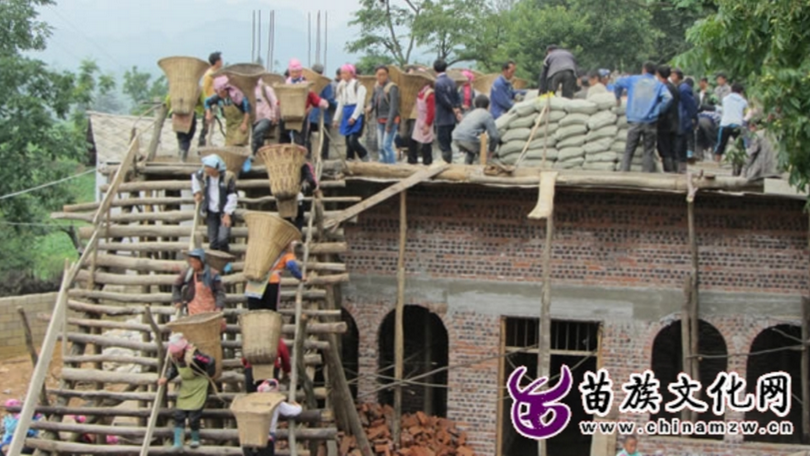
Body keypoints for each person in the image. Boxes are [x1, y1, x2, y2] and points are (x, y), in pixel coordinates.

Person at [613, 62, 673, 173]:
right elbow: (668, 98)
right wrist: (658, 111)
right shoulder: (658, 84)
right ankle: (646, 176)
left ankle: (623, 173)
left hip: (634, 119)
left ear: (643, 70)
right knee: (648, 151)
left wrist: (618, 97)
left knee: (629, 149)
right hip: (651, 121)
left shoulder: (633, 80)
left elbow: (617, 83)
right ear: (655, 72)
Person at [158, 334, 215, 450]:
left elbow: (210, 361)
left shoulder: (195, 356)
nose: (176, 355)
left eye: (178, 353)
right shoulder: (174, 357)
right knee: (179, 415)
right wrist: (167, 378)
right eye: (174, 353)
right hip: (186, 386)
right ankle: (178, 442)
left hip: (199, 385)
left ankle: (195, 439)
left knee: (194, 416)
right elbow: (174, 370)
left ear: (183, 350)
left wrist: (209, 375)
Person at [241, 379, 302, 456]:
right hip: (266, 437)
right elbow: (294, 411)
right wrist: (297, 406)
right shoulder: (275, 402)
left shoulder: (253, 401)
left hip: (250, 437)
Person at [192, 155, 237, 252]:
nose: (206, 170)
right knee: (213, 242)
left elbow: (232, 196)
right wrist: (197, 192)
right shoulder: (204, 175)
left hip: (223, 211)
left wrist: (227, 214)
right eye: (206, 167)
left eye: (209, 168)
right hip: (211, 211)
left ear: (216, 169)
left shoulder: (227, 177)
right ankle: (215, 263)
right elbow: (195, 177)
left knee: (223, 239)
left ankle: (225, 260)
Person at [244, 241, 304, 311]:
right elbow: (291, 265)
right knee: (270, 312)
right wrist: (300, 276)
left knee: (254, 311)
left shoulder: (259, 248)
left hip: (255, 281)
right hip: (272, 282)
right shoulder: (286, 253)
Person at [281, 59, 329, 146]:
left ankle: (299, 157)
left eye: (297, 72)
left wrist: (321, 102)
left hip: (301, 115)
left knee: (299, 139)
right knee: (283, 136)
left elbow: (312, 97)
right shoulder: (286, 84)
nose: (295, 74)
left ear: (300, 72)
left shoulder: (305, 83)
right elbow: (280, 99)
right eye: (292, 72)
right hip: (287, 115)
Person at [333, 64, 370, 161]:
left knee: (353, 140)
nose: (343, 75)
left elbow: (360, 104)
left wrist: (354, 117)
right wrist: (336, 119)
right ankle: (349, 158)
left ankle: (364, 155)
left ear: (351, 73)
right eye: (342, 73)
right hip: (346, 112)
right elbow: (340, 103)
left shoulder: (359, 86)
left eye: (345, 73)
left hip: (357, 114)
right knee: (347, 140)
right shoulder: (341, 86)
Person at [172, 248, 226, 316]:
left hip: (210, 310)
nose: (192, 264)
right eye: (191, 262)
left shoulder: (212, 274)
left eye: (195, 262)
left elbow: (220, 292)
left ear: (201, 261)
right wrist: (177, 300)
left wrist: (219, 306)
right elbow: (176, 285)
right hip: (193, 310)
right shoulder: (188, 273)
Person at [452, 95, 500, 165]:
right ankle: (482, 170)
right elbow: (494, 136)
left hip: (456, 137)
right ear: (488, 106)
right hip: (468, 139)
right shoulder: (487, 115)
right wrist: (491, 151)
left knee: (472, 150)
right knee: (483, 152)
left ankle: (467, 166)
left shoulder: (471, 113)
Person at [368, 65, 400, 164]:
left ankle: (392, 167)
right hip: (380, 120)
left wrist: (389, 124)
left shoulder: (392, 87)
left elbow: (394, 107)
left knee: (387, 145)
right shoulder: (376, 87)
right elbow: (373, 100)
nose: (381, 77)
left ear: (387, 75)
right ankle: (384, 166)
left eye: (383, 74)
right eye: (379, 75)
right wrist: (370, 107)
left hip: (390, 119)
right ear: (376, 75)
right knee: (380, 146)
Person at [205, 76, 251, 147]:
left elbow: (247, 110)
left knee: (237, 144)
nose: (220, 94)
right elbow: (207, 102)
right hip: (230, 126)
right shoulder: (219, 97)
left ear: (226, 90)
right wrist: (208, 113)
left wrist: (244, 123)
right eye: (218, 92)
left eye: (221, 92)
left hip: (240, 123)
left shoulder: (237, 96)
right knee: (229, 147)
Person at [433, 59, 462, 163]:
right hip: (451, 119)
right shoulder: (452, 81)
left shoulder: (437, 83)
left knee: (443, 143)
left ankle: (446, 163)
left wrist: (451, 107)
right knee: (449, 142)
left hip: (442, 117)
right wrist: (457, 108)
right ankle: (449, 161)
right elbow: (457, 97)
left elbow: (443, 99)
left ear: (434, 69)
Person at [306, 64, 337, 160]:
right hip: (322, 115)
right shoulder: (326, 84)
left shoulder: (307, 82)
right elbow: (330, 99)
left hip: (309, 114)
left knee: (306, 137)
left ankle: (307, 156)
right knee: (324, 139)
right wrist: (338, 106)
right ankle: (323, 157)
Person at [165, 90, 205, 161]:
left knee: (181, 135)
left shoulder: (175, 87)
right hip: (190, 112)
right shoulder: (196, 88)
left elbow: (168, 101)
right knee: (187, 136)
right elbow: (204, 101)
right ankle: (182, 157)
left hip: (176, 112)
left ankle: (181, 154)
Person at [655, 65, 680, 173]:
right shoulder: (673, 87)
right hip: (674, 122)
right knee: (673, 149)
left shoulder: (662, 88)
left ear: (658, 75)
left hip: (664, 124)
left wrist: (657, 113)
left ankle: (669, 172)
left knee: (665, 150)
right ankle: (675, 171)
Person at [672, 69, 698, 173]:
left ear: (678, 76)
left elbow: (690, 105)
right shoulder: (679, 87)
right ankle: (681, 166)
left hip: (683, 119)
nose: (671, 77)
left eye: (673, 75)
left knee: (680, 143)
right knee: (681, 143)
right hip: (681, 118)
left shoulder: (683, 89)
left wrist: (693, 117)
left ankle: (681, 167)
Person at [714, 82, 748, 162]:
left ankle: (717, 162)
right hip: (737, 125)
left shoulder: (725, 99)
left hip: (725, 124)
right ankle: (740, 161)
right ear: (741, 91)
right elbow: (746, 112)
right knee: (740, 145)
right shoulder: (743, 101)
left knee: (721, 144)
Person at [285, 162, 319, 233]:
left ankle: (288, 239)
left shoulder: (282, 164)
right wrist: (315, 189)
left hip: (283, 198)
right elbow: (311, 179)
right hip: (297, 197)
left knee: (286, 221)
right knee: (299, 218)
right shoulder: (303, 165)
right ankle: (296, 238)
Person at [199, 51, 223, 147]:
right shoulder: (209, 75)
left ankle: (207, 142)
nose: (222, 62)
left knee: (211, 123)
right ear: (217, 62)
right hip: (210, 100)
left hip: (215, 100)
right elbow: (205, 89)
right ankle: (203, 142)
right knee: (207, 123)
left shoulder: (215, 73)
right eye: (220, 60)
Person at [742, 116, 777, 180]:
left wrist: (743, 172)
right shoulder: (775, 133)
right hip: (777, 170)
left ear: (753, 126)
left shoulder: (757, 135)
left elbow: (751, 155)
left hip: (763, 171)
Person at [410, 80, 435, 165]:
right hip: (419, 119)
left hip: (426, 119)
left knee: (426, 142)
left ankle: (427, 162)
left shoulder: (430, 93)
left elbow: (431, 111)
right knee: (414, 139)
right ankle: (412, 160)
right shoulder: (420, 92)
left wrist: (427, 124)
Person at [252, 79, 278, 155]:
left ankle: (257, 152)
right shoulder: (250, 88)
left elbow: (274, 102)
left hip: (266, 116)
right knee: (255, 137)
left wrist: (274, 115)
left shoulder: (265, 88)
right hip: (254, 118)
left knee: (258, 130)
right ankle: (259, 155)